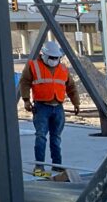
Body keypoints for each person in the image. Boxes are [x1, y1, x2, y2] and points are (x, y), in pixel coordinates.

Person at [19, 42, 81, 177]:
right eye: (51, 57)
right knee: (41, 136)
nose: (54, 60)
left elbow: (71, 87)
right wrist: (26, 100)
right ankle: (39, 166)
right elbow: (24, 82)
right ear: (44, 55)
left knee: (56, 137)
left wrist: (76, 103)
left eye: (56, 58)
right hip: (41, 107)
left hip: (58, 107)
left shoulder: (63, 69)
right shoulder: (33, 66)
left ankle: (57, 165)